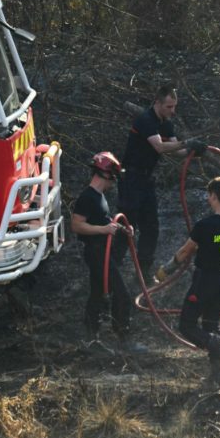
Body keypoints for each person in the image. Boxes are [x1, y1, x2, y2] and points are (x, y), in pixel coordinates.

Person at [155, 176, 220, 385]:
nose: (208, 199)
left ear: (213, 195)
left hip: (204, 279)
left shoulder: (205, 225)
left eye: (209, 196)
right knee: (212, 326)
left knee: (186, 324)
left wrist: (166, 270)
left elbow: (186, 250)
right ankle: (217, 373)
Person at [120, 85, 207, 271]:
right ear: (157, 103)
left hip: (146, 179)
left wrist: (194, 150)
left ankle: (143, 271)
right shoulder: (146, 120)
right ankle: (111, 270)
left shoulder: (166, 124)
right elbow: (159, 147)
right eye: (169, 106)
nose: (173, 111)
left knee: (151, 226)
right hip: (130, 179)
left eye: (174, 106)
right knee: (126, 226)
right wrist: (187, 143)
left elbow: (179, 150)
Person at [71, 151, 146, 353]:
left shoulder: (99, 197)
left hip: (102, 252)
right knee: (121, 293)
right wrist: (103, 230)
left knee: (96, 295)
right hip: (96, 253)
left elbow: (104, 222)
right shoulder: (88, 197)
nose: (114, 181)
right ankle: (125, 340)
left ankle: (91, 340)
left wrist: (123, 229)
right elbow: (77, 225)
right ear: (106, 174)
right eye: (114, 176)